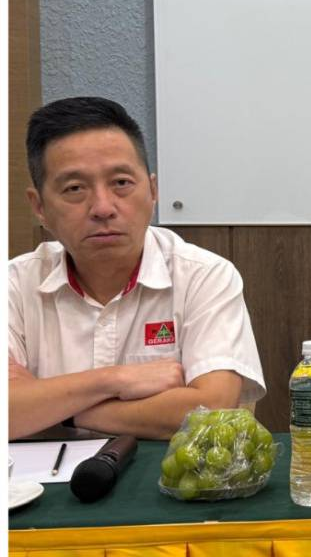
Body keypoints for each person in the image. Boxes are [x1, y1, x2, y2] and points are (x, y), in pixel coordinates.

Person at [8, 97, 266, 440]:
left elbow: (213, 409)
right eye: (74, 188)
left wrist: (55, 405)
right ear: (39, 207)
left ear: (153, 190)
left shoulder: (203, 276)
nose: (102, 207)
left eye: (121, 183)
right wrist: (116, 380)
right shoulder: (13, 284)